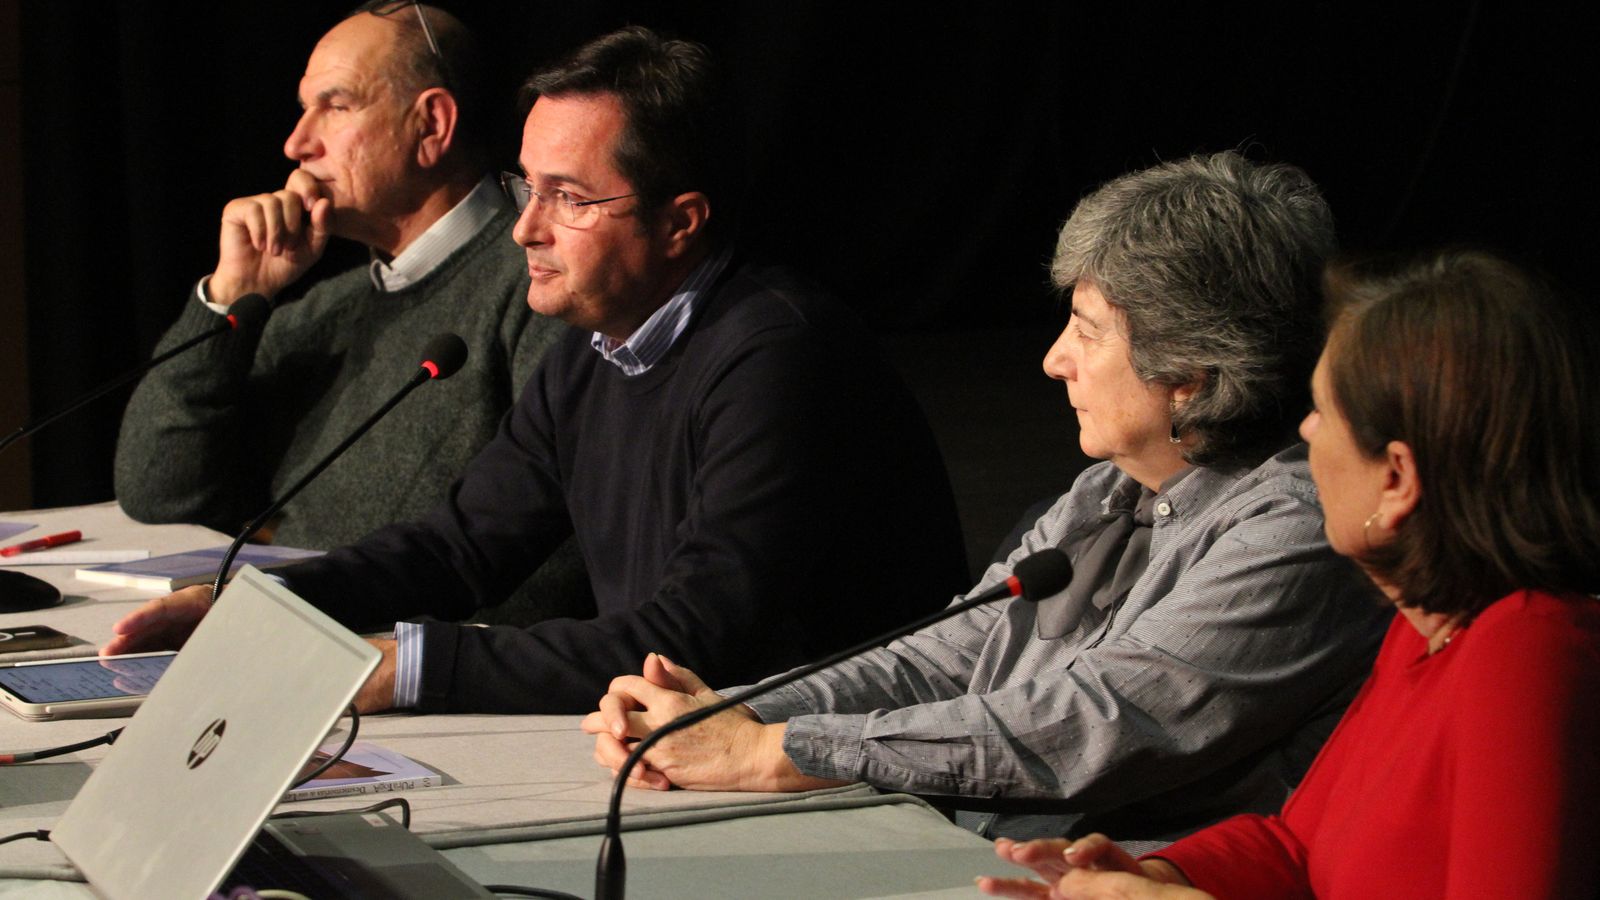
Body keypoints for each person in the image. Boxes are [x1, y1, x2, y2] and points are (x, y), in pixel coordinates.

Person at [104, 26, 968, 716]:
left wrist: (411, 667)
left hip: (835, 775)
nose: (525, 229)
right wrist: (266, 608)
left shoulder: (778, 357)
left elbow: (698, 637)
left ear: (681, 223)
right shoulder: (597, 351)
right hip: (682, 752)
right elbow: (457, 548)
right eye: (529, 187)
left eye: (570, 197)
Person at [584, 152, 1391, 841]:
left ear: (1189, 373)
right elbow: (942, 656)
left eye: (1087, 328)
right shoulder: (1112, 488)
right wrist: (725, 715)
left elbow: (1091, 722)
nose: (1053, 360)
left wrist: (775, 751)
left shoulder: (1296, 528)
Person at [978, 249, 1600, 899]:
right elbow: (1299, 844)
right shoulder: (1425, 629)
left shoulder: (1528, 652)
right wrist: (1157, 874)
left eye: (1325, 412)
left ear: (1396, 479)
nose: (1305, 433)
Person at [114, 3, 566, 551]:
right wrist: (233, 295)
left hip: (403, 636)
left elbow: (550, 546)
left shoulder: (541, 289)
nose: (297, 144)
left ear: (431, 124)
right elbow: (156, 491)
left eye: (335, 106)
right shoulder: (326, 311)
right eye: (304, 109)